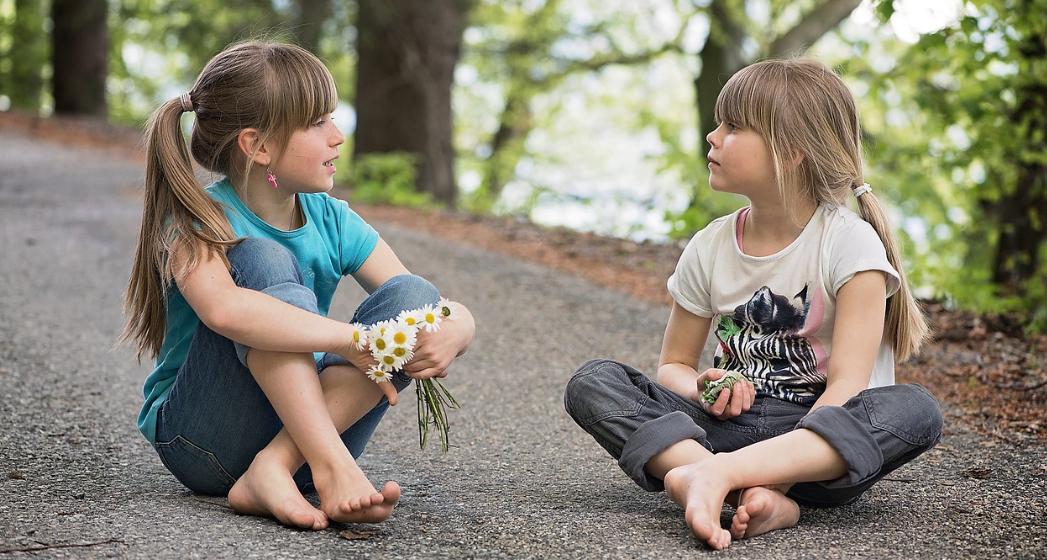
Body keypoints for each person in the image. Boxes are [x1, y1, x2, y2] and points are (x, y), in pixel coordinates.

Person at [563, 57, 942, 550]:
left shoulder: (850, 246)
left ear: (792, 152)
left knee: (915, 409)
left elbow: (846, 389)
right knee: (594, 382)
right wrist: (704, 387)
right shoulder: (710, 244)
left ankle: (707, 478)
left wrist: (776, 477)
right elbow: (674, 364)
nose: (712, 137)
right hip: (720, 430)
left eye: (734, 126)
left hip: (815, 451)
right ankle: (721, 481)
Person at [119, 40, 475, 531]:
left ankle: (277, 467)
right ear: (258, 146)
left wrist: (459, 325)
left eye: (332, 117)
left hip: (305, 438)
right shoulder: (196, 219)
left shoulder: (332, 219)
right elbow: (224, 312)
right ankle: (328, 466)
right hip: (205, 441)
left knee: (414, 296)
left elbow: (420, 300)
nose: (338, 137)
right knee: (263, 257)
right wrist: (353, 340)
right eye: (317, 123)